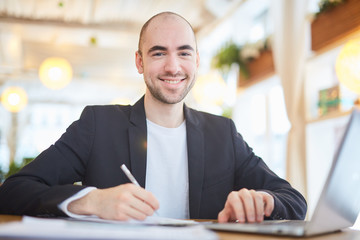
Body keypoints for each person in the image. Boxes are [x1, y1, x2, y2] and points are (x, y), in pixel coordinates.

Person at [0, 12, 306, 223]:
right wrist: (92, 202)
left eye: (184, 53)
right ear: (139, 61)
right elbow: (13, 191)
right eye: (159, 53)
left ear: (196, 61)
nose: (173, 67)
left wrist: (264, 202)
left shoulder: (222, 133)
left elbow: (293, 200)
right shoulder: (98, 125)